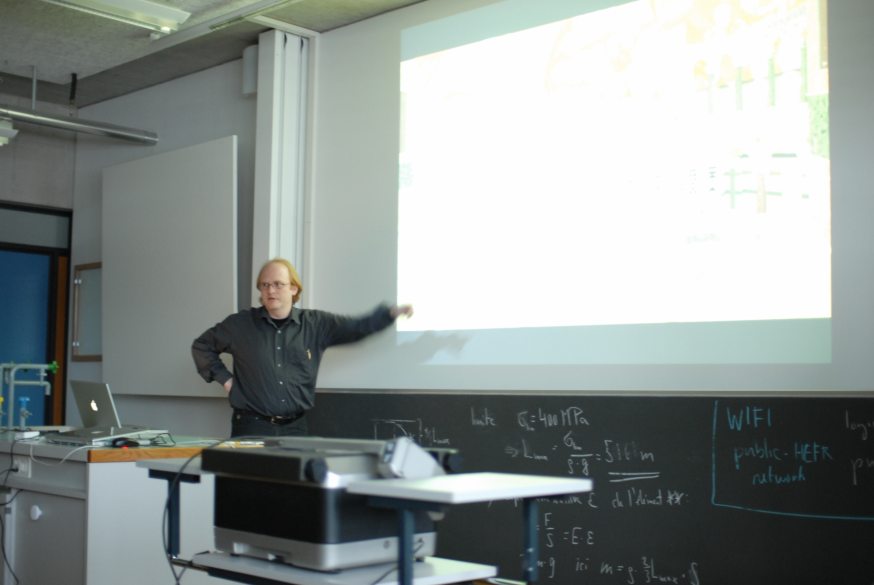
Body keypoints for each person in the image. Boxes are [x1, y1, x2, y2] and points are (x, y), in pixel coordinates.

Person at [191, 258, 412, 437]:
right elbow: (202, 346)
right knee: (247, 481)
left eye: (278, 284)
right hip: (251, 427)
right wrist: (227, 381)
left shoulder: (315, 324)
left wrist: (390, 314)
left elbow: (356, 327)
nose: (270, 290)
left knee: (294, 481)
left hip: (295, 428)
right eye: (265, 285)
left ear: (294, 288)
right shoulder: (240, 324)